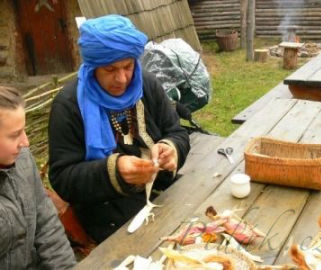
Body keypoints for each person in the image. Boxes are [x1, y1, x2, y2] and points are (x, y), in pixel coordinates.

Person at [48, 14, 190, 243]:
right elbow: (63, 179)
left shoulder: (147, 85)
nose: (122, 78)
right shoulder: (70, 105)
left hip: (164, 194)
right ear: (93, 66)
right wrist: (113, 171)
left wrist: (171, 147)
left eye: (127, 66)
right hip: (108, 215)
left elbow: (177, 132)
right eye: (110, 69)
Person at [0, 86, 76, 269]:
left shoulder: (22, 159)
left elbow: (46, 223)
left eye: (24, 130)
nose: (26, 142)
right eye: (15, 135)